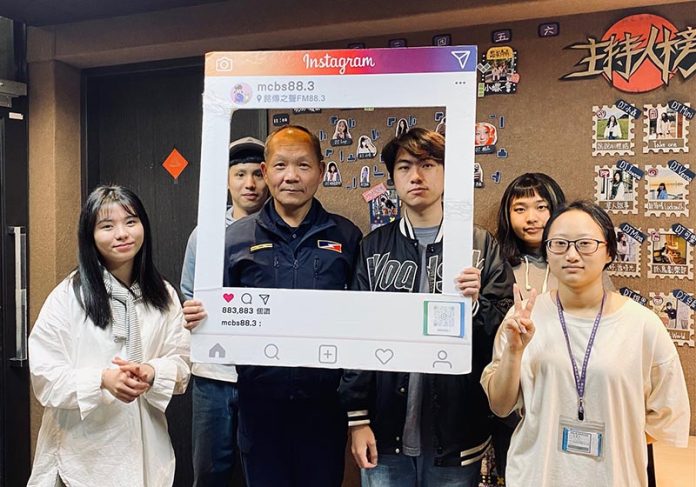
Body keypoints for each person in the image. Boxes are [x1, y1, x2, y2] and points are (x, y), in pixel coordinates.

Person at [183, 125, 362, 487]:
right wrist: (200, 318)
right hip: (259, 406)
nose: (291, 176)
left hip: (324, 406)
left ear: (322, 171)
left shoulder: (347, 236)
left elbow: (360, 320)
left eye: (303, 165)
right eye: (280, 166)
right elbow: (215, 314)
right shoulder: (233, 239)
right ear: (266, 172)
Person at [340, 128, 514, 487]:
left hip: (456, 432)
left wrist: (475, 306)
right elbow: (357, 335)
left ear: (448, 173)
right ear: (393, 178)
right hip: (385, 433)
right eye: (405, 167)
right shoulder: (373, 247)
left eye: (429, 165)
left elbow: (504, 335)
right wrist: (358, 419)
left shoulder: (480, 245)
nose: (416, 176)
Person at [481, 201, 690, 487]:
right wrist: (514, 352)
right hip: (536, 476)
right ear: (547, 251)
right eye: (559, 244)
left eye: (585, 244)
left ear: (609, 252)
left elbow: (666, 415)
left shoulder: (643, 325)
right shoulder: (524, 318)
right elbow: (500, 406)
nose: (571, 255)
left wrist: (618, 439)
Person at [28, 185, 190, 487]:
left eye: (131, 222)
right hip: (83, 454)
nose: (122, 234)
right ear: (89, 235)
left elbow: (181, 362)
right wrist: (102, 380)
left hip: (146, 449)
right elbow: (44, 376)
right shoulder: (68, 296)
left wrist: (152, 371)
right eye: (107, 226)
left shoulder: (164, 295)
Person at [180, 136, 269, 486]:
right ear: (227, 180)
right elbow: (189, 293)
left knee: (261, 471)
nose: (250, 184)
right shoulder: (204, 234)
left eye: (257, 174)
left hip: (264, 374)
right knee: (209, 472)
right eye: (240, 174)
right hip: (212, 376)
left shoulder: (281, 233)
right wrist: (192, 314)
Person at [496, 173, 566, 300]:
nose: (531, 218)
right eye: (520, 209)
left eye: (541, 207)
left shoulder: (578, 263)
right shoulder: (496, 268)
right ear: (507, 216)